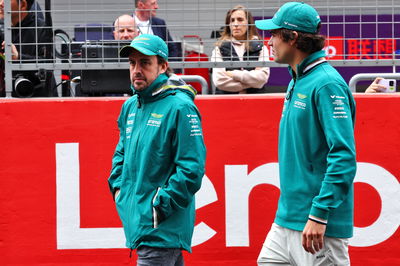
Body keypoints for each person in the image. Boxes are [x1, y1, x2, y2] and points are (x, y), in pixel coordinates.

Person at [255, 2, 356, 265]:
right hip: (287, 218)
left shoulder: (326, 83)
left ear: (294, 38)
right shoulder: (298, 79)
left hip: (318, 225)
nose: (270, 41)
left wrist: (319, 214)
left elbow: (343, 157)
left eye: (275, 33)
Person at [108, 34, 206, 265]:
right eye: (132, 63)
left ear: (163, 66)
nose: (136, 69)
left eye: (145, 62)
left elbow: (191, 169)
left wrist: (157, 209)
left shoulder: (181, 107)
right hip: (141, 226)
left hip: (161, 232)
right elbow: (121, 153)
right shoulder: (131, 105)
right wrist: (119, 191)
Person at [0, 0, 56, 97]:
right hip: (8, 98)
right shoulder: (3, 28)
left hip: (36, 99)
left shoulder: (41, 29)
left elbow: (48, 63)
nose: (0, 3)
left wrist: (18, 57)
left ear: (23, 5)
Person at [211, 5, 270, 94]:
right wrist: (252, 82)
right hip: (227, 102)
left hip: (254, 102)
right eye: (232, 20)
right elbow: (219, 81)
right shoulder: (219, 48)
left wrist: (233, 74)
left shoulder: (260, 47)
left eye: (240, 20)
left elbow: (262, 78)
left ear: (248, 23)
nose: (235, 24)